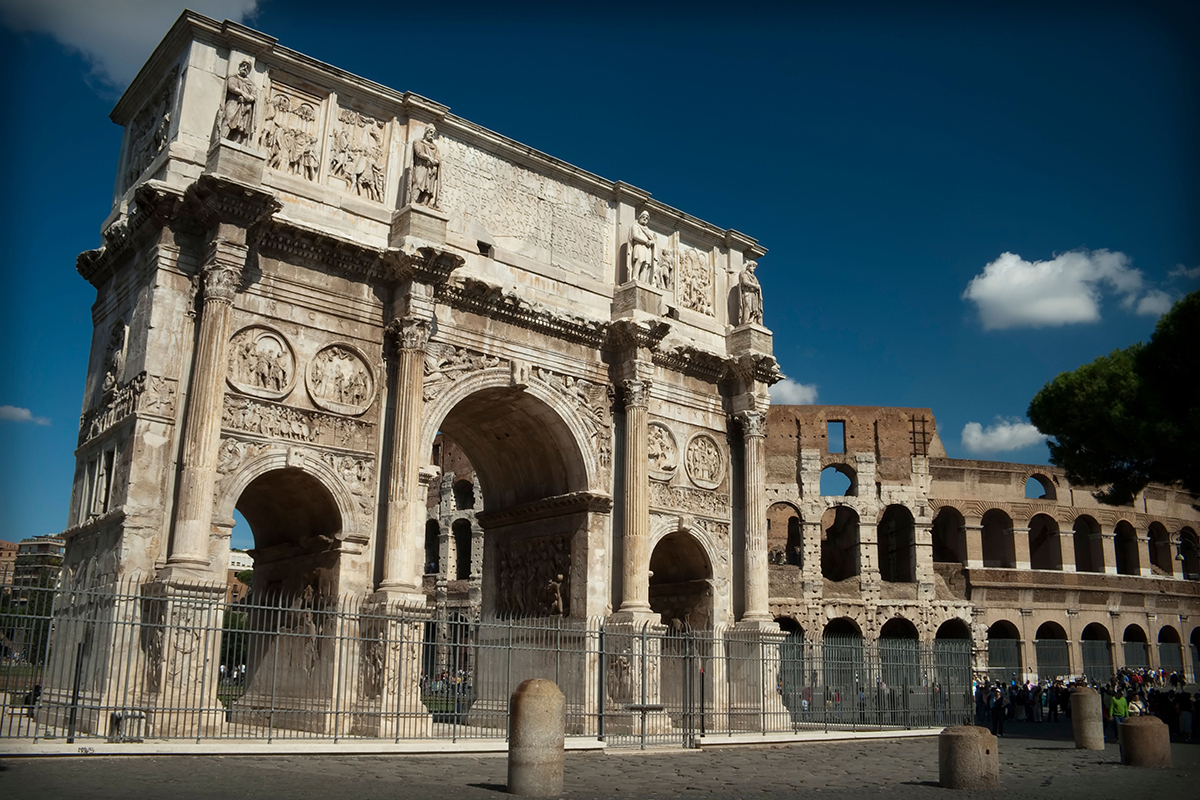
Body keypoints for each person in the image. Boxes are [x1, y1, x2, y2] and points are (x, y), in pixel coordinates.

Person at [219, 60, 256, 144]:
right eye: (243, 65)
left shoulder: (251, 84)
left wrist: (246, 98)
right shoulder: (233, 77)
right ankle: (222, 140)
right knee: (228, 120)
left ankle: (235, 145)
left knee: (241, 127)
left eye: (248, 67)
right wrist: (242, 93)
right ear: (239, 67)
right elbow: (231, 87)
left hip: (245, 107)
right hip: (233, 103)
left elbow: (253, 97)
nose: (245, 68)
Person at [409, 124, 441, 207]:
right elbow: (419, 152)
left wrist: (436, 161)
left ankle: (424, 203)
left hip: (431, 169)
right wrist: (429, 158)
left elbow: (438, 158)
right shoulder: (418, 142)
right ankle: (413, 201)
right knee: (418, 182)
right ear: (426, 132)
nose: (432, 135)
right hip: (421, 166)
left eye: (433, 134)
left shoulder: (435, 147)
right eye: (430, 132)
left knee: (429, 187)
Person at [629, 210, 656, 284]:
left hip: (647, 248)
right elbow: (635, 235)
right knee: (640, 260)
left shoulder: (648, 230)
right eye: (643, 217)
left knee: (646, 265)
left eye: (647, 218)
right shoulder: (635, 226)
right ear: (640, 217)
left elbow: (653, 240)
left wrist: (651, 242)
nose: (645, 219)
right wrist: (646, 241)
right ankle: (634, 277)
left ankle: (642, 281)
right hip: (639, 245)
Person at [738, 261, 764, 325]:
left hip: (753, 294)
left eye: (754, 268)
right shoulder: (744, 274)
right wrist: (755, 286)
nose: (753, 269)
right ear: (749, 266)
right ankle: (745, 321)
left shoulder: (754, 277)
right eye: (753, 267)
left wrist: (757, 287)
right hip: (747, 293)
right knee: (748, 306)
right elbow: (745, 282)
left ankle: (752, 320)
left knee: (755, 308)